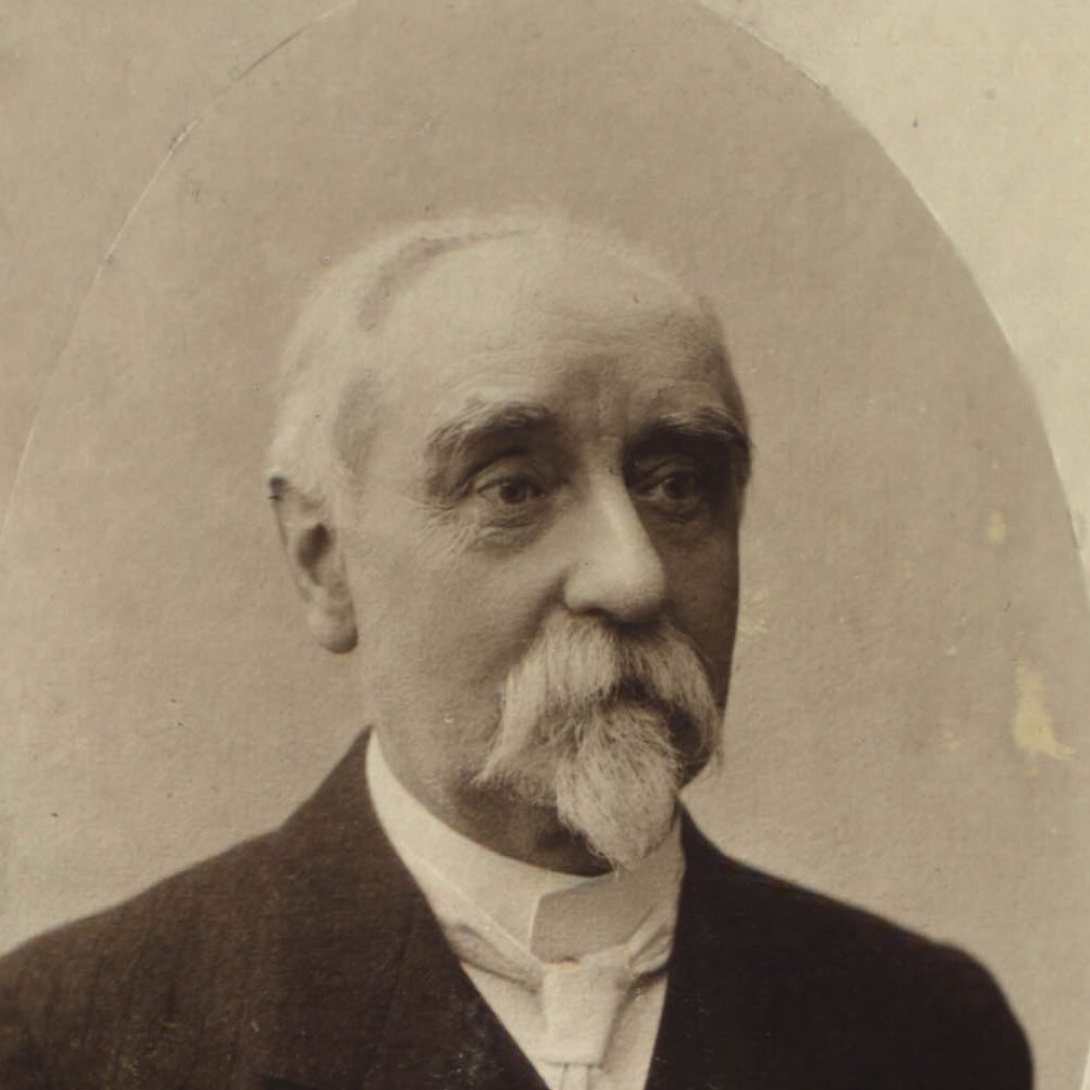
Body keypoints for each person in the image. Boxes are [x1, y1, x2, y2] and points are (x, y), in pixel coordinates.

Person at [0, 214, 1031, 1089]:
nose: (633, 577)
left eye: (677, 485)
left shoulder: (926, 1032)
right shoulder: (72, 1038)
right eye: (512, 487)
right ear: (323, 561)